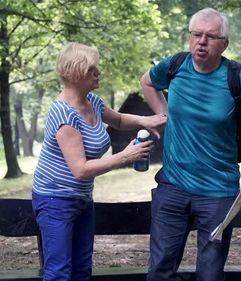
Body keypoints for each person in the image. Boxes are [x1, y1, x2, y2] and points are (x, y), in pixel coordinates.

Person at [140, 8, 241, 281]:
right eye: (196, 34)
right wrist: (166, 116)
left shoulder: (239, 78)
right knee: (159, 272)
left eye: (210, 36)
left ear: (224, 44)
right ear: (189, 38)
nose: (202, 41)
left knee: (210, 276)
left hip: (218, 193)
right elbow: (148, 82)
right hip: (173, 187)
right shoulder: (175, 66)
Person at [32, 42, 167, 281]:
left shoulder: (92, 100)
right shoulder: (64, 115)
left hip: (82, 199)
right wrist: (125, 156)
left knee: (83, 270)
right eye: (91, 69)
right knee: (59, 273)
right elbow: (81, 170)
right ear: (75, 73)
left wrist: (146, 121)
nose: (98, 73)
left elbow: (119, 120)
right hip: (56, 201)